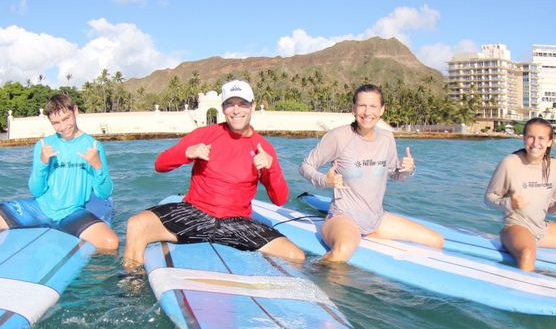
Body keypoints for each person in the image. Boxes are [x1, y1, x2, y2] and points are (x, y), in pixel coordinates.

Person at [123, 80, 305, 267]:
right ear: (223, 107)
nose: (236, 110)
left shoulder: (263, 148)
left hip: (236, 223)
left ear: (253, 106)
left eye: (242, 104)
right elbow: (160, 164)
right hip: (195, 214)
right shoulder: (205, 134)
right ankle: (131, 286)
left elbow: (280, 199)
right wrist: (186, 153)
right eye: (230, 104)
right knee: (137, 225)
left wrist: (271, 167)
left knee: (295, 255)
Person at [299, 83, 444, 262]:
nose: (367, 112)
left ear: (382, 110)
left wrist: (407, 169)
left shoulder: (387, 138)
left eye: (373, 106)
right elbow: (305, 166)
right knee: (342, 251)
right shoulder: (338, 136)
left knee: (437, 241)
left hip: (376, 220)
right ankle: (313, 279)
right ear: (353, 108)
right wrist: (324, 180)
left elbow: (396, 175)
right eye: (362, 106)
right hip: (344, 218)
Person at [0, 94, 119, 252]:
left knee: (110, 242)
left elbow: (104, 193)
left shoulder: (93, 145)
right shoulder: (44, 145)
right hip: (39, 209)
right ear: (50, 121)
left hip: (72, 213)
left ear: (75, 111)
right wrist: (42, 163)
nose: (62, 127)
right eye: (56, 123)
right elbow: (36, 190)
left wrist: (97, 166)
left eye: (66, 118)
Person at [484, 117, 556, 272]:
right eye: (531, 137)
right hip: (515, 226)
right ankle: (523, 291)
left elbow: (551, 207)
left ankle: (553, 274)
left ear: (550, 142)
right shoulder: (510, 163)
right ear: (523, 138)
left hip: (541, 229)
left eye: (541, 138)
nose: (535, 143)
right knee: (527, 255)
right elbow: (489, 198)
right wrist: (509, 203)